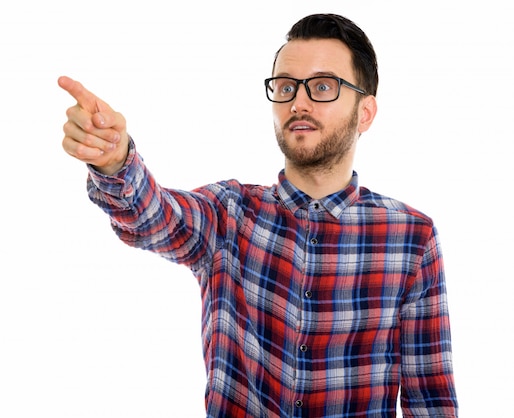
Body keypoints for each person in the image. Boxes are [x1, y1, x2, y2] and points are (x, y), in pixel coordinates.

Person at [58, 13, 458, 417]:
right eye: (286, 87)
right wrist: (115, 161)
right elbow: (155, 216)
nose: (298, 103)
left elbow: (431, 399)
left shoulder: (412, 237)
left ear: (365, 112)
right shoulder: (229, 215)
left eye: (322, 86)